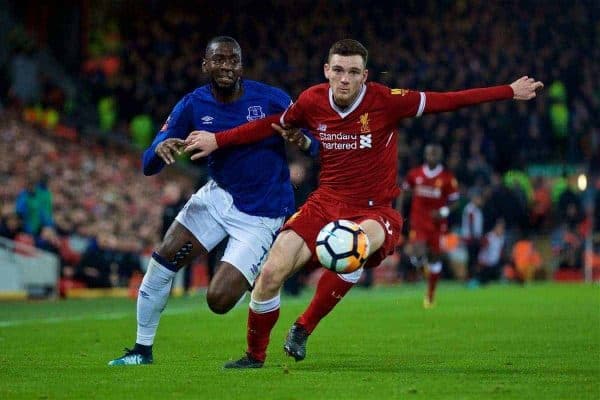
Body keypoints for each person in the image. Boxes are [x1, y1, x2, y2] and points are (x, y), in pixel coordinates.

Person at [184, 39, 543, 368]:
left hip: (375, 210)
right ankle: (254, 355)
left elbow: (447, 100)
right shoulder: (310, 101)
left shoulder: (385, 100)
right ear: (327, 70)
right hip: (325, 203)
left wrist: (508, 91)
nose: (344, 79)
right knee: (270, 273)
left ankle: (304, 327)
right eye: (338, 70)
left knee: (352, 243)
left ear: (364, 76)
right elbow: (269, 125)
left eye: (353, 72)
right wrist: (219, 139)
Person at [108, 36, 318, 366]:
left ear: (241, 66)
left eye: (232, 60)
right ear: (205, 65)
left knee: (218, 301)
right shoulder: (193, 104)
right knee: (163, 258)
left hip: (263, 212)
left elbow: (318, 142)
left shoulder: (272, 99)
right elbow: (149, 162)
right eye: (218, 60)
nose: (225, 66)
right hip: (218, 196)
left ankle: (258, 270)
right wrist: (159, 153)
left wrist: (304, 142)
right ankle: (141, 350)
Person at [399, 144, 460, 308]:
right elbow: (403, 192)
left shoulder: (447, 178)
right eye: (429, 154)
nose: (432, 157)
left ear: (440, 156)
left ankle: (430, 294)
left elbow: (455, 200)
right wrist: (397, 214)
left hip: (437, 224)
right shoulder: (415, 174)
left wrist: (444, 211)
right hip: (418, 221)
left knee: (434, 258)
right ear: (425, 155)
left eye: (435, 154)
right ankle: (420, 267)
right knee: (418, 251)